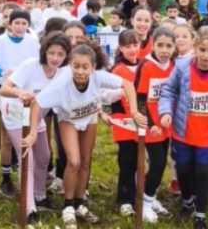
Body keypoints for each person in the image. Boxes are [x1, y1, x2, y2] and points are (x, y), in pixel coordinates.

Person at [26, 44, 141, 229]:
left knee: (86, 161)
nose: (80, 71)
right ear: (70, 65)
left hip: (89, 118)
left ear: (93, 67)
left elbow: (127, 84)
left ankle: (80, 203)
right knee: (74, 161)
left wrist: (134, 111)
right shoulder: (61, 84)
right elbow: (37, 103)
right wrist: (32, 132)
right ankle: (68, 205)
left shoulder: (98, 77)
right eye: (76, 66)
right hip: (68, 119)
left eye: (85, 67)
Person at [158, 30, 208, 229]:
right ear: (195, 48)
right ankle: (187, 201)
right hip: (183, 132)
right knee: (183, 169)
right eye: (202, 50)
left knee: (203, 171)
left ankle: (200, 214)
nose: (206, 55)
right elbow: (168, 91)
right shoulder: (182, 68)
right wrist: (165, 112)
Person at [0, 32, 71, 223]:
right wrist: (19, 92)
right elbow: (4, 89)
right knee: (26, 158)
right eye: (51, 53)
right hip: (16, 113)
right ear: (44, 51)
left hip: (37, 116)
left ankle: (40, 195)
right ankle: (28, 207)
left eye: (60, 54)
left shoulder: (64, 72)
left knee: (44, 156)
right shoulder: (30, 66)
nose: (55, 58)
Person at [0, 9, 39, 197]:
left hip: (27, 93)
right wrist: (2, 72)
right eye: (17, 22)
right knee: (7, 136)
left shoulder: (33, 41)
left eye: (24, 23)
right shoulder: (1, 41)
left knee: (28, 131)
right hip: (6, 92)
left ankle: (28, 174)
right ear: (10, 24)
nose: (20, 26)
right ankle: (6, 177)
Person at [134, 26, 177, 222]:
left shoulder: (173, 65)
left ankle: (150, 197)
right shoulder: (146, 65)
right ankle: (144, 201)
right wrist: (150, 123)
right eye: (160, 45)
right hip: (151, 125)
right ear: (153, 44)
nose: (164, 50)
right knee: (158, 162)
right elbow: (140, 98)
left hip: (166, 123)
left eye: (169, 46)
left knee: (160, 163)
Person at [110, 29, 144, 216]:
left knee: (141, 160)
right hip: (124, 122)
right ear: (120, 48)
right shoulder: (117, 70)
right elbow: (112, 99)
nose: (132, 50)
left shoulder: (145, 65)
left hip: (142, 121)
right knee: (127, 161)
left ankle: (140, 194)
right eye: (127, 46)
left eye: (135, 45)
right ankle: (124, 199)